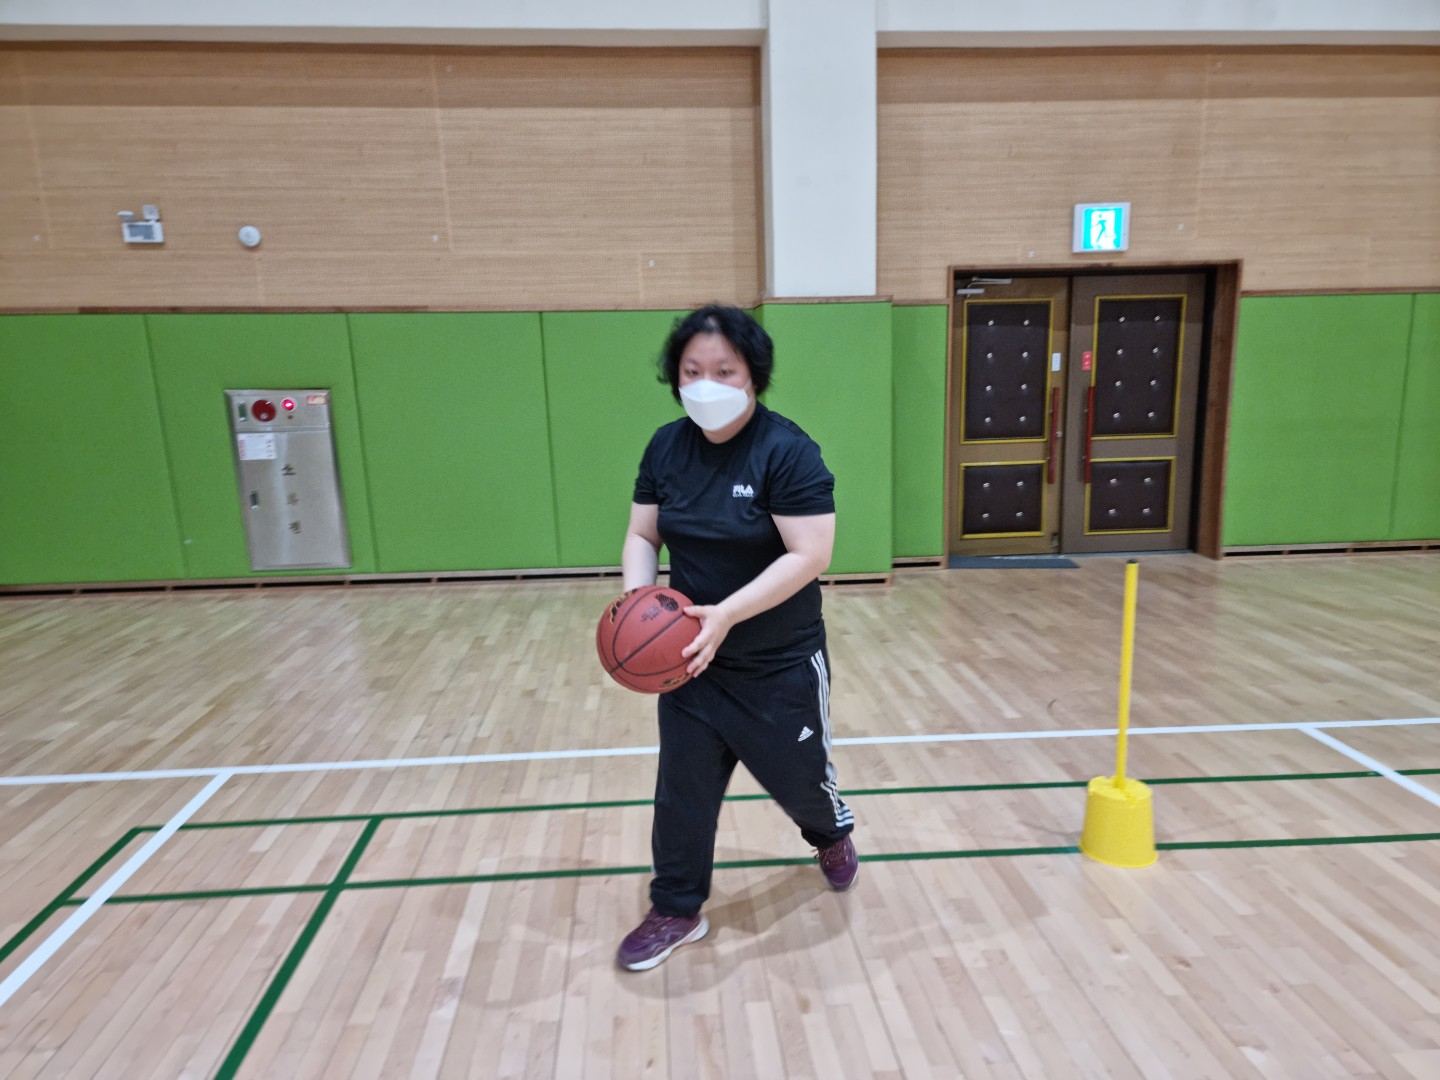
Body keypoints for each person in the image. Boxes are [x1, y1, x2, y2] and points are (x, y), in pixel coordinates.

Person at [614, 304, 858, 972]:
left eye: (724, 370)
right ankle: (675, 908)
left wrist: (725, 614)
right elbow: (643, 534)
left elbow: (810, 553)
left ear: (753, 374)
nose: (706, 383)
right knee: (682, 792)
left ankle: (830, 832)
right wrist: (640, 601)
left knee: (802, 786)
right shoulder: (665, 447)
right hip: (693, 661)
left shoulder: (787, 451)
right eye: (692, 370)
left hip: (778, 664)